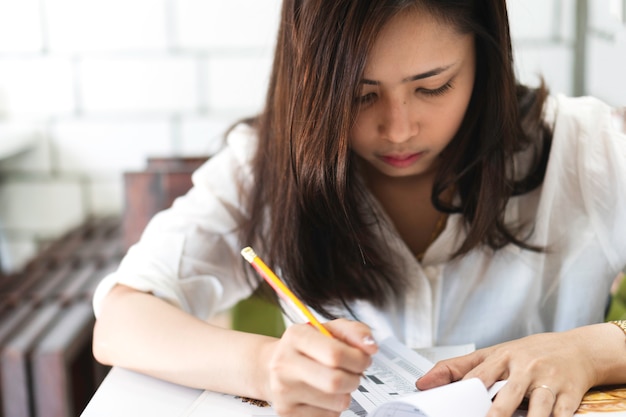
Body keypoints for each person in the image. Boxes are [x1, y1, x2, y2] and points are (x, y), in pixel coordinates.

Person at [91, 1, 626, 416]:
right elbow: (119, 319)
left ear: (484, 59)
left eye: (433, 86)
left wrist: (592, 350)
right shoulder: (267, 166)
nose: (398, 129)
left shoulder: (584, 148)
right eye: (359, 95)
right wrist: (265, 365)